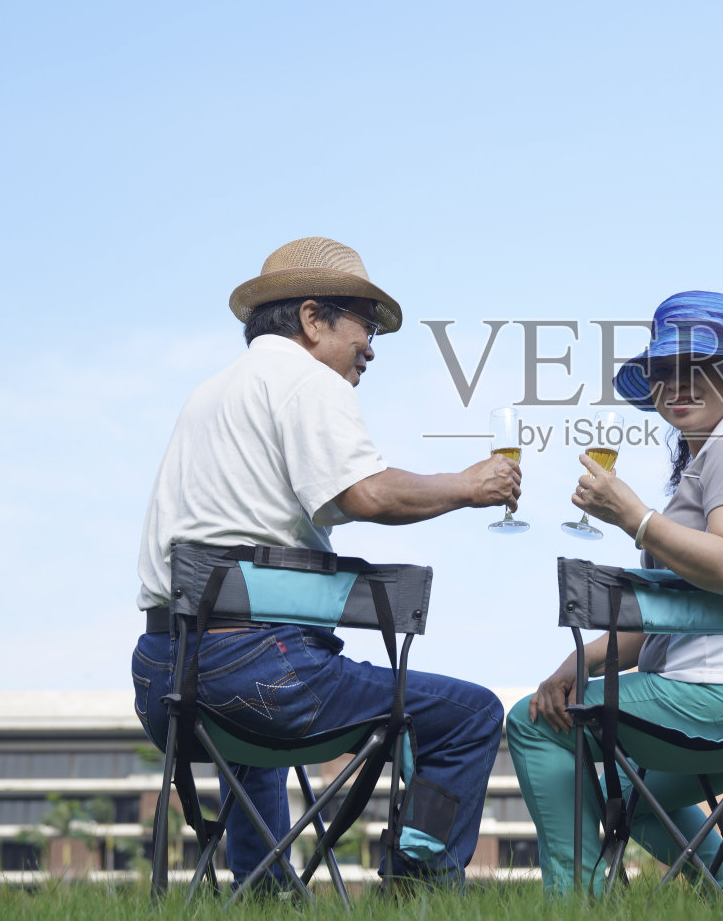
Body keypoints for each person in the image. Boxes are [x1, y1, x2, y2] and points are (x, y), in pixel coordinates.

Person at [131, 236, 517, 890]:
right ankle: (417, 887)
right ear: (313, 318)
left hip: (166, 676)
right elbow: (362, 493)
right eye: (365, 325)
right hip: (262, 670)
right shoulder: (307, 378)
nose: (370, 346)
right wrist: (468, 485)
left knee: (257, 750)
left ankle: (265, 893)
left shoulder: (210, 394)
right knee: (470, 713)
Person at [505, 290, 723, 893]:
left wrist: (635, 518)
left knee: (533, 723)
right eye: (664, 370)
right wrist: (577, 663)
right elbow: (679, 612)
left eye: (697, 369)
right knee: (637, 801)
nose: (677, 384)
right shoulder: (718, 456)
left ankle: (574, 905)